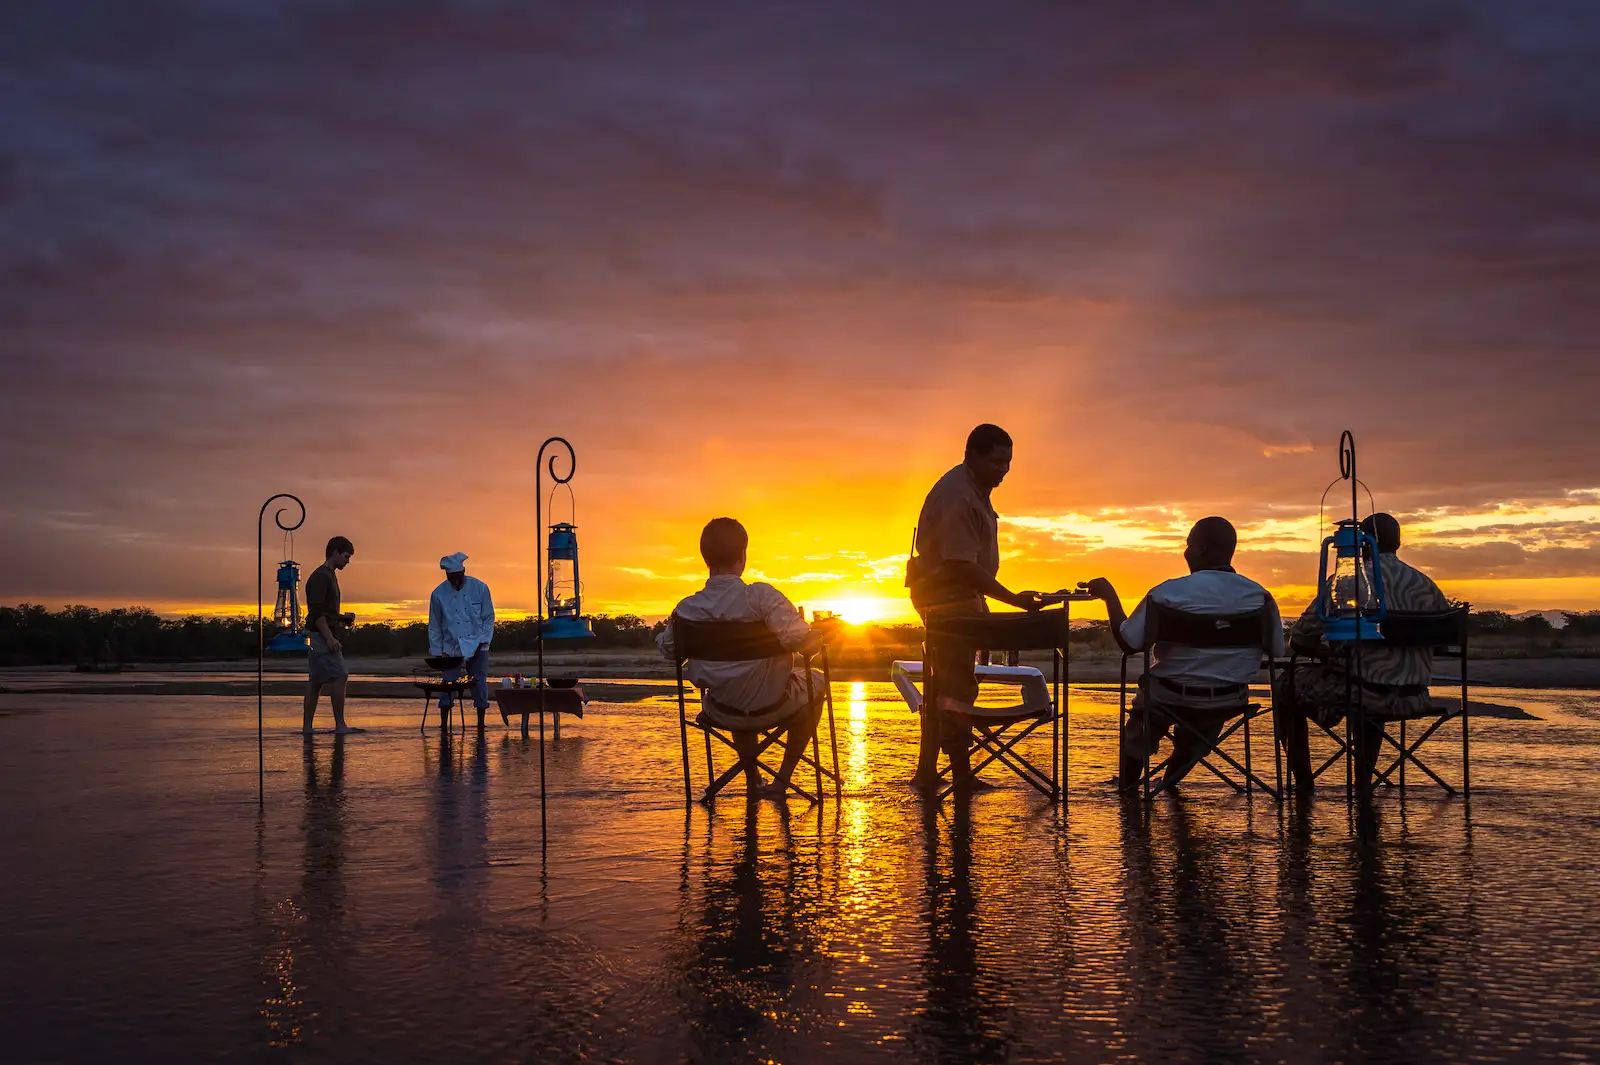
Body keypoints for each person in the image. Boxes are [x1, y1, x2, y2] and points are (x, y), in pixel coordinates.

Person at [1085, 516, 1283, 792]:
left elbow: (1129, 644)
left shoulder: (1168, 593)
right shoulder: (1260, 597)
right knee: (1202, 725)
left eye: (1188, 544)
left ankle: (1128, 789)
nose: (1185, 551)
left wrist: (1109, 596)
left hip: (1169, 697)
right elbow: (1276, 651)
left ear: (1201, 549)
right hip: (1228, 700)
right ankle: (1170, 781)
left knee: (1145, 717)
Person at [907, 423, 1043, 793]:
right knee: (955, 687)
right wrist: (1013, 600)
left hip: (961, 599)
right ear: (972, 456)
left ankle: (931, 774)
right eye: (998, 462)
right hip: (946, 602)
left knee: (949, 686)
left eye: (1009, 462)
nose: (1005, 470)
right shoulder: (958, 496)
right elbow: (960, 566)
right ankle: (957, 776)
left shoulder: (974, 489)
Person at [657, 517, 830, 801]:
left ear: (706, 559)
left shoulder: (687, 609)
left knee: (736, 685)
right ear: (743, 556)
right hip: (773, 707)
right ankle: (782, 781)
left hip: (721, 710)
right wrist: (818, 637)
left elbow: (668, 651)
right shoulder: (761, 598)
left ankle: (753, 781)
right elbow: (800, 640)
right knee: (817, 684)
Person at [1275, 512, 1449, 792]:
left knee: (1285, 686)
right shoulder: (1425, 584)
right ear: (1399, 543)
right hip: (1414, 696)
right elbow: (1442, 642)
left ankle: (1304, 785)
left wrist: (1326, 654)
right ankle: (1363, 785)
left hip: (1361, 693)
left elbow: (1300, 637)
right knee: (1368, 679)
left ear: (1360, 544)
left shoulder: (1347, 583)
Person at [427, 551, 496, 726]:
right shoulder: (438, 594)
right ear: (447, 576)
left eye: (458, 577)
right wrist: (437, 651)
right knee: (448, 684)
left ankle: (481, 722)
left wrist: (484, 640)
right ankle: (444, 723)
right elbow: (435, 625)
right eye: (452, 578)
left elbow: (488, 617)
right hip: (451, 646)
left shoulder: (480, 588)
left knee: (479, 682)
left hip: (477, 643)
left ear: (463, 572)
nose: (456, 581)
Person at [303, 535, 361, 735]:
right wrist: (330, 638)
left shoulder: (329, 575)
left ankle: (308, 728)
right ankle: (340, 725)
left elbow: (325, 611)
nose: (348, 561)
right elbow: (316, 612)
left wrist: (341, 618)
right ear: (335, 552)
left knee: (316, 680)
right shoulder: (321, 576)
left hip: (320, 633)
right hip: (320, 636)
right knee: (340, 674)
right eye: (346, 556)